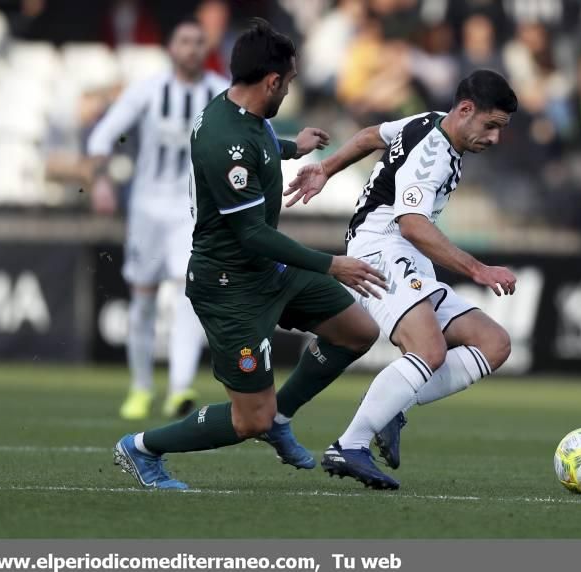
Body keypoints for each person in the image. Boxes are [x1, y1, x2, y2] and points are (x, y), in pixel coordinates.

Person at [112, 19, 386, 490]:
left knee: (357, 331)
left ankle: (281, 415)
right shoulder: (224, 138)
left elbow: (254, 146)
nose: (291, 88)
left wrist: (290, 148)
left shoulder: (243, 114)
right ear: (272, 82)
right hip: (230, 287)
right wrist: (331, 263)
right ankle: (142, 448)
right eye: (291, 80)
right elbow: (252, 234)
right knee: (248, 421)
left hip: (268, 271)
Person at [284, 70, 519, 490]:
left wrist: (326, 168)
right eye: (491, 126)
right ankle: (350, 445)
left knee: (494, 343)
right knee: (428, 350)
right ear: (466, 110)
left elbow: (372, 135)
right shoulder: (432, 153)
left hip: (405, 254)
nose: (495, 139)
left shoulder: (426, 120)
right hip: (381, 247)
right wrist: (478, 270)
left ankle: (392, 406)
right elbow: (411, 223)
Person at [87, 17, 230, 421]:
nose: (192, 48)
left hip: (192, 212)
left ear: (207, 49)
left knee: (189, 293)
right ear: (171, 47)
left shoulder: (219, 92)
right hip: (147, 210)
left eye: (199, 42)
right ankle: (140, 388)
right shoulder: (149, 90)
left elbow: (256, 135)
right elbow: (102, 136)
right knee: (144, 299)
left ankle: (180, 386)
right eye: (184, 40)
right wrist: (101, 181)